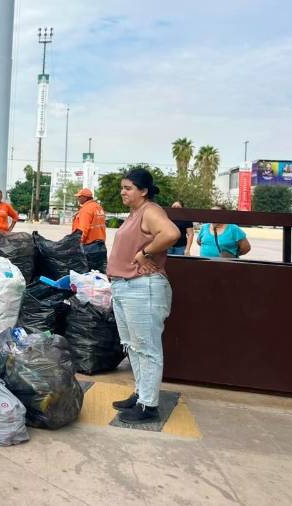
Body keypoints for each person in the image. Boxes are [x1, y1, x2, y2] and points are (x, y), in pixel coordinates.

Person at [107, 168, 180, 424]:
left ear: (144, 191)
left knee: (146, 348)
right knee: (132, 345)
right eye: (122, 188)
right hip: (126, 286)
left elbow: (171, 233)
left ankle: (148, 406)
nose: (123, 192)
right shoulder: (135, 213)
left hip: (142, 287)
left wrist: (145, 253)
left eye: (128, 188)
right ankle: (141, 394)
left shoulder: (150, 210)